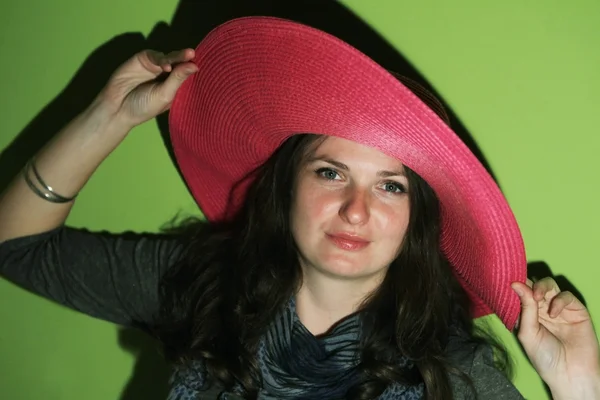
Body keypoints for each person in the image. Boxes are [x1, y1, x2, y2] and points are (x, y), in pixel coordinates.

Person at [0, 16, 598, 400]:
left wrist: (578, 388)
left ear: (419, 219)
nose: (355, 210)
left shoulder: (454, 375)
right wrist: (109, 116)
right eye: (331, 172)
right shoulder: (201, 281)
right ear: (287, 186)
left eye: (391, 186)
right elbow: (16, 248)